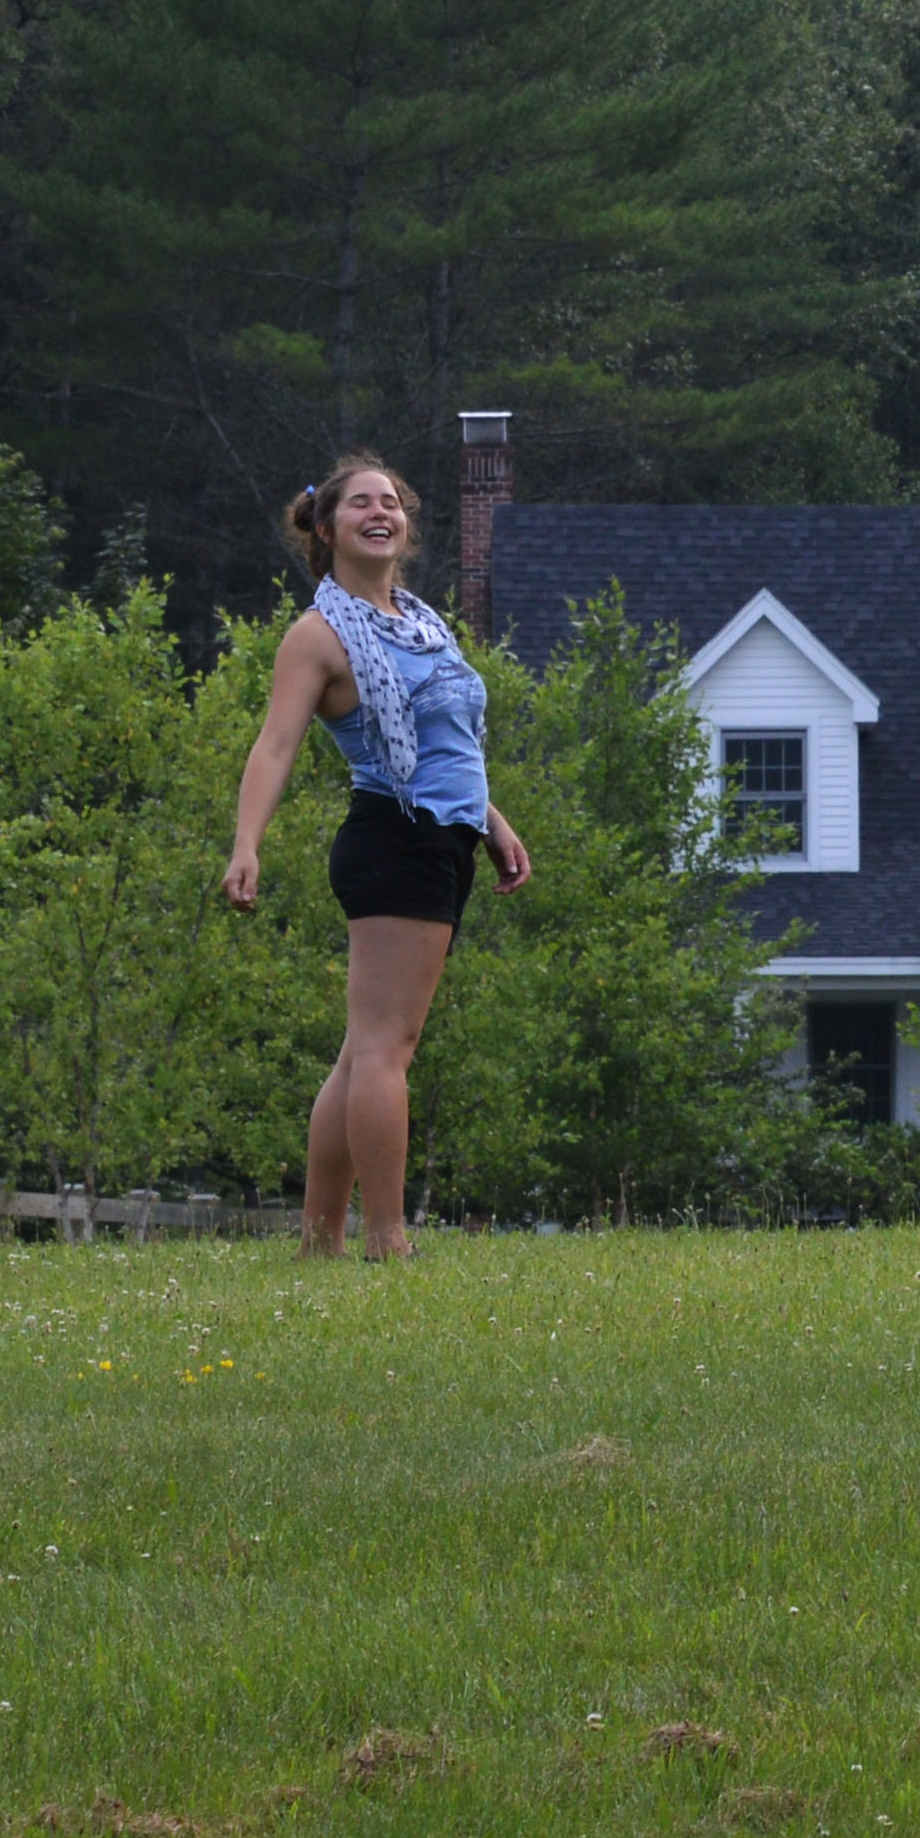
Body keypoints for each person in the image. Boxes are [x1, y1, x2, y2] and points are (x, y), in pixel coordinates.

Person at [223, 455, 530, 1260]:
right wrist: (246, 844)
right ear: (326, 530)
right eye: (360, 503)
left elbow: (447, 742)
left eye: (391, 502)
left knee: (365, 1050)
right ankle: (387, 1240)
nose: (379, 512)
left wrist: (491, 821)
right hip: (395, 837)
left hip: (443, 836)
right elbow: (277, 744)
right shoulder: (318, 635)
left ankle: (320, 1243)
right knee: (386, 1050)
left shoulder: (422, 623)